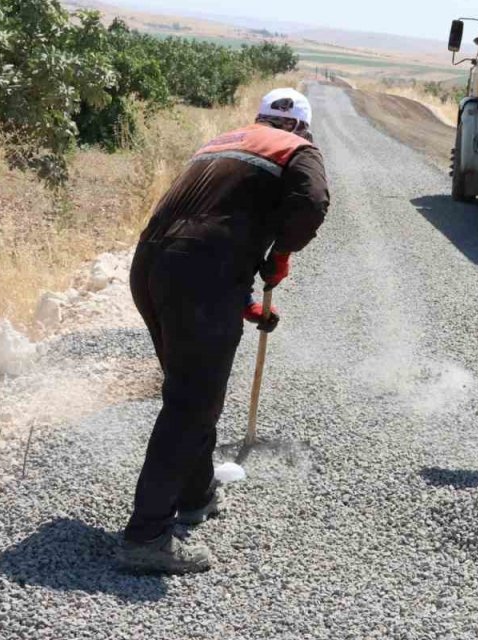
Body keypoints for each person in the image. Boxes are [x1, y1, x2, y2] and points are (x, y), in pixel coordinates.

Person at [117, 88, 331, 574]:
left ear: (259, 118)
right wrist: (278, 256)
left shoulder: (221, 143)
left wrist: (246, 304)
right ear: (301, 126)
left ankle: (196, 495)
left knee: (193, 388)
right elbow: (312, 203)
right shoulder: (298, 149)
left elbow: (203, 229)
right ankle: (146, 535)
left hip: (151, 267)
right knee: (192, 400)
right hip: (198, 274)